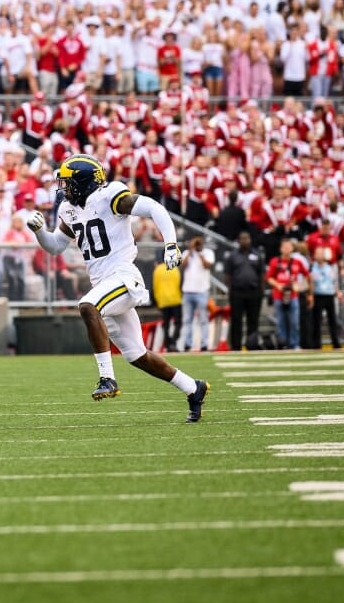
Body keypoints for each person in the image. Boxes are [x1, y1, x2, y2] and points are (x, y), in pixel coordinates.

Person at [27, 155, 210, 423]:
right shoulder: (68, 208)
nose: (63, 188)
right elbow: (55, 246)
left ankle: (107, 378)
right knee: (137, 355)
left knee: (88, 306)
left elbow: (154, 208)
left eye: (67, 182)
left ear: (83, 181)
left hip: (123, 276)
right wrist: (40, 231)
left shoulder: (110, 195)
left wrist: (171, 244)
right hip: (102, 283)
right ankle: (193, 388)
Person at [223, 231, 264, 351]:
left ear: (250, 240)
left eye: (247, 238)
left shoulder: (257, 254)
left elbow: (261, 274)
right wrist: (230, 291)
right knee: (236, 320)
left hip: (254, 292)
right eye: (242, 238)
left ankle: (252, 344)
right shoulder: (233, 256)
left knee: (253, 320)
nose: (245, 241)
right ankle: (236, 346)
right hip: (237, 293)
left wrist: (261, 291)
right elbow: (228, 275)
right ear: (239, 241)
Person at [265, 239, 308, 350]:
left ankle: (294, 344)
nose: (287, 249)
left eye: (289, 247)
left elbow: (307, 276)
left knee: (294, 321)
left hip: (293, 296)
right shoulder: (275, 261)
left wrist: (299, 286)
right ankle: (283, 343)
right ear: (281, 249)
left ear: (292, 248)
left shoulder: (297, 262)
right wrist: (277, 285)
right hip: (279, 295)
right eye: (285, 247)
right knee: (281, 322)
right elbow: (268, 277)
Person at [180, 235, 214, 352]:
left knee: (203, 319)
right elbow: (183, 265)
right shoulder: (186, 253)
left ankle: (204, 344)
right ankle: (187, 344)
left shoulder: (208, 253)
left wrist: (199, 253)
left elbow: (207, 265)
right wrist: (190, 250)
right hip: (188, 291)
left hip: (201, 291)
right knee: (187, 320)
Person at [310, 246, 343, 349]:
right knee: (317, 321)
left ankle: (336, 343)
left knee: (332, 320)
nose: (319, 255)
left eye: (321, 253)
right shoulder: (312, 267)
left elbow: (334, 282)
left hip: (329, 295)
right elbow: (310, 282)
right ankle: (316, 344)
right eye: (317, 253)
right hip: (318, 295)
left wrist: (338, 292)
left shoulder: (330, 267)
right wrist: (310, 295)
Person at [151, 254, 183, 352]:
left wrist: (155, 301)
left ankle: (168, 344)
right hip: (175, 299)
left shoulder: (157, 270)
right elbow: (180, 283)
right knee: (178, 323)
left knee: (166, 324)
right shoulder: (175, 269)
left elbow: (154, 287)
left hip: (163, 301)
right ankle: (173, 342)